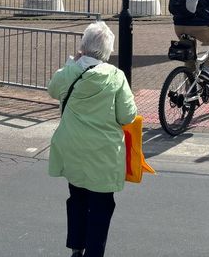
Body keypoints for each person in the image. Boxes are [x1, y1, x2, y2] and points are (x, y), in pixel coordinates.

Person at [48, 21, 137, 257]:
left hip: (73, 148)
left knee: (77, 199)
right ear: (108, 50)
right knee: (102, 205)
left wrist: (72, 62)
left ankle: (77, 248)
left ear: (83, 46)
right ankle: (94, 253)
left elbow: (53, 89)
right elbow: (128, 115)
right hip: (104, 153)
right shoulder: (116, 77)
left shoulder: (69, 72)